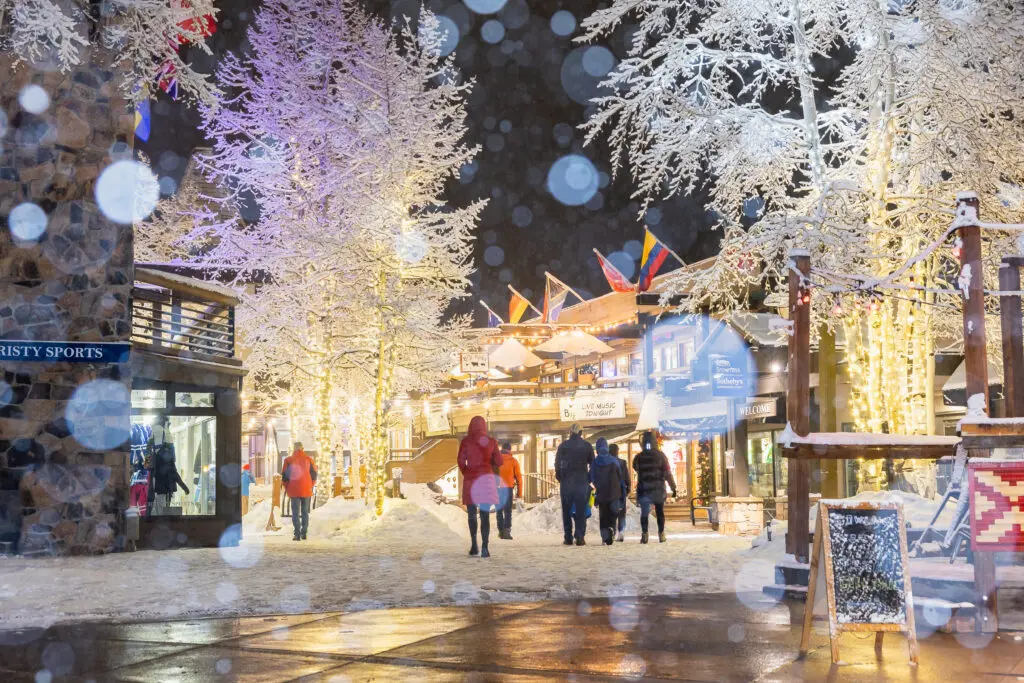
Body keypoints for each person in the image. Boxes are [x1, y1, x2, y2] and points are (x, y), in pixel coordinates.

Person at [457, 416, 503, 557]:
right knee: (484, 515)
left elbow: (460, 460)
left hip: (471, 480)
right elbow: (499, 461)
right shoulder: (491, 442)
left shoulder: (466, 441)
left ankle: (474, 545)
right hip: (486, 481)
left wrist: (467, 471)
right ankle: (485, 547)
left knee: (471, 514)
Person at [632, 431, 677, 543]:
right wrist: (673, 487)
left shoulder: (638, 457)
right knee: (660, 512)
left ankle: (645, 534)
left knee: (644, 513)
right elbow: (667, 473)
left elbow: (635, 468)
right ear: (654, 442)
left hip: (644, 489)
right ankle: (661, 534)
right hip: (658, 489)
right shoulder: (661, 456)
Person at [554, 423, 594, 546]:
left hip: (567, 484)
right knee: (581, 510)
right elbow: (593, 464)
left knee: (566, 510)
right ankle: (580, 536)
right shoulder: (587, 446)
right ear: (581, 433)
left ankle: (568, 537)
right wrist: (588, 479)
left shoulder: (563, 446)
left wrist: (561, 478)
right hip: (582, 483)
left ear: (570, 433)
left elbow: (557, 465)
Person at [591, 438, 626, 546]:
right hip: (614, 492)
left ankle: (604, 536)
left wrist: (596, 486)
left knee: (603, 515)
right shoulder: (614, 461)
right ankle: (612, 529)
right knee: (612, 514)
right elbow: (620, 478)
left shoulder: (595, 462)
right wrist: (622, 493)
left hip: (602, 493)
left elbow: (591, 478)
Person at [282, 442, 317, 541]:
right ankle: (304, 533)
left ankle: (297, 534)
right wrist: (310, 485)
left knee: (295, 512)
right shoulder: (309, 460)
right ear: (303, 448)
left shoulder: (288, 460)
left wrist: (287, 487)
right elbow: (314, 475)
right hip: (306, 489)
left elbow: (285, 476)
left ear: (294, 448)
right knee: (305, 511)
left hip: (294, 489)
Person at [151, 443, 189, 515]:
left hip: (160, 488)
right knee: (165, 507)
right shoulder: (170, 462)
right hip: (168, 487)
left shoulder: (156, 456)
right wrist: (184, 488)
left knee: (161, 508)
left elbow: (152, 472)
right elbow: (176, 476)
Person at [496, 441, 522, 540]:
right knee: (507, 511)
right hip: (508, 489)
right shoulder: (513, 461)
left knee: (499, 511)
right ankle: (506, 532)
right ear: (510, 450)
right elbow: (519, 478)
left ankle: (500, 531)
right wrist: (519, 493)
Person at [610, 443, 631, 542]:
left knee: (611, 512)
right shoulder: (623, 462)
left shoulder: (608, 462)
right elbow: (626, 476)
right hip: (621, 490)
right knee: (621, 512)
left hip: (610, 490)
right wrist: (628, 488)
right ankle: (621, 532)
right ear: (617, 451)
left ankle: (613, 532)